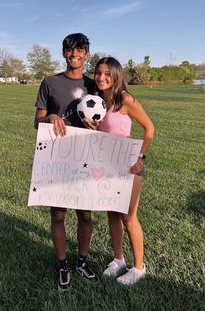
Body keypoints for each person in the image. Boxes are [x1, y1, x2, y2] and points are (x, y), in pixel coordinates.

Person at [34, 33, 98, 291]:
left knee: (85, 215)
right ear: (64, 54)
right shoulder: (50, 83)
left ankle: (82, 261)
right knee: (58, 215)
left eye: (80, 50)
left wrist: (97, 126)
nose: (74, 54)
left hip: (84, 157)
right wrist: (50, 116)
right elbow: (35, 121)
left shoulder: (95, 86)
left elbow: (107, 118)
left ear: (87, 54)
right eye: (70, 50)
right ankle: (63, 265)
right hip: (58, 157)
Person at [92, 56, 154, 285]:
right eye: (98, 72)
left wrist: (141, 157)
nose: (102, 77)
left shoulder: (125, 99)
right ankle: (118, 259)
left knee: (129, 218)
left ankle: (139, 267)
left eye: (107, 73)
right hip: (107, 166)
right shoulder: (96, 100)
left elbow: (149, 128)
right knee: (112, 215)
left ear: (116, 75)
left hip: (129, 166)